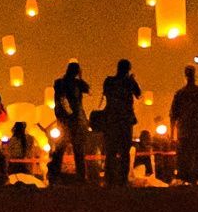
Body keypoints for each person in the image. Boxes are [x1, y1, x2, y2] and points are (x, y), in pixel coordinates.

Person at [170, 60, 198, 185]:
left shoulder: (180, 94)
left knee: (186, 158)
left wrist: (173, 134)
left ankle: (188, 178)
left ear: (185, 76)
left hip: (185, 132)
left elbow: (173, 115)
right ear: (195, 76)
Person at [100, 59, 142, 187]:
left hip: (112, 119)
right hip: (125, 120)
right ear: (128, 69)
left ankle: (109, 178)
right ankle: (123, 179)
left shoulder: (109, 81)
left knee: (111, 151)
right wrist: (132, 80)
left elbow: (106, 95)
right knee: (124, 151)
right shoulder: (129, 82)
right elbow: (138, 94)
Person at [53, 61, 91, 182]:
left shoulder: (59, 83)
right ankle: (81, 176)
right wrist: (81, 77)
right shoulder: (78, 83)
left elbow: (60, 100)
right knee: (78, 149)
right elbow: (89, 90)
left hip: (64, 120)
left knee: (60, 149)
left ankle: (55, 174)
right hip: (75, 120)